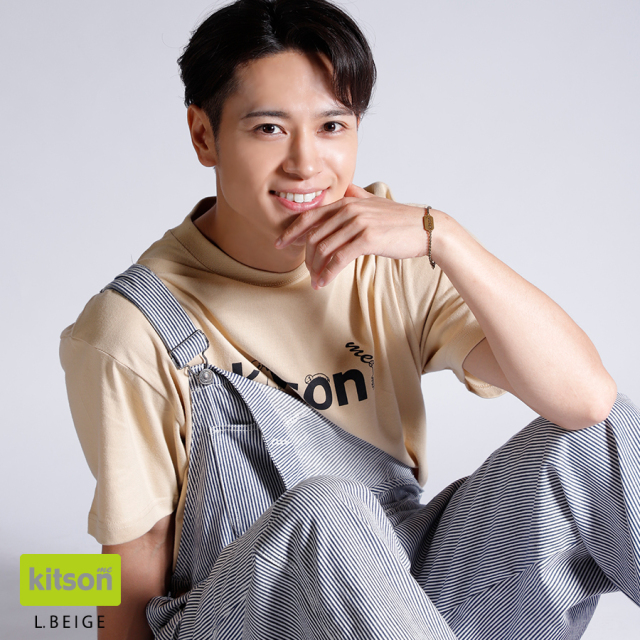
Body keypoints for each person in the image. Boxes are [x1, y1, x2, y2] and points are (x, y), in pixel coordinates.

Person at [59, 0, 640, 638]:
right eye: (269, 128)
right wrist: (58, 593)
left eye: (333, 126)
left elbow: (585, 400)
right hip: (244, 611)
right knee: (326, 511)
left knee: (598, 437)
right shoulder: (130, 328)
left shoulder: (389, 255)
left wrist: (445, 238)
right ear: (203, 135)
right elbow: (134, 563)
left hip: (397, 592)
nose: (306, 164)